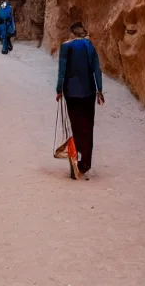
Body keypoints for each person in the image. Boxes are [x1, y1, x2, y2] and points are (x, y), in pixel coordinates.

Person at [56, 21, 104, 179]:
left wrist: (59, 89)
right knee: (88, 125)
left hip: (71, 92)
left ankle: (75, 159)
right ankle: (86, 162)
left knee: (75, 125)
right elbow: (96, 68)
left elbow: (62, 69)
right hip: (89, 92)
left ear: (72, 33)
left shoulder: (66, 46)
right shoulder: (89, 46)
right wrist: (99, 90)